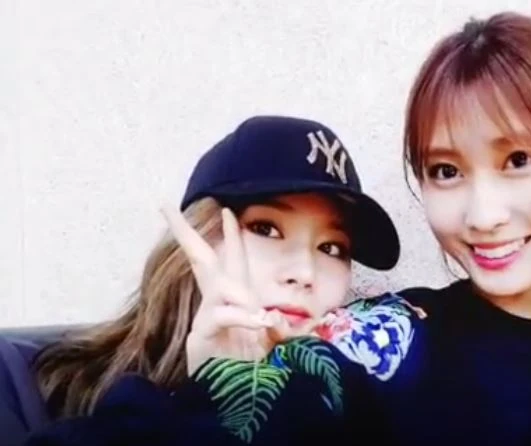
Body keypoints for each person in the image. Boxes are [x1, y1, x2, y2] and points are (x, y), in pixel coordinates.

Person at [25, 11, 531, 446]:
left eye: (518, 160)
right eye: (445, 171)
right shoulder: (388, 344)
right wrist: (222, 391)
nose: (481, 214)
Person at [0, 114, 400, 444]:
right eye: (266, 229)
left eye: (332, 248)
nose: (305, 273)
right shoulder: (30, 385)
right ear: (195, 238)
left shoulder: (347, 409)